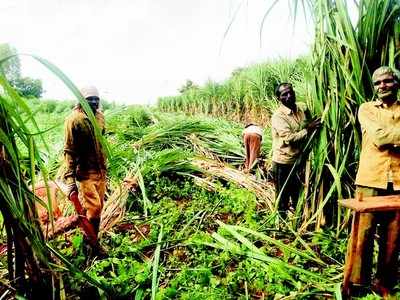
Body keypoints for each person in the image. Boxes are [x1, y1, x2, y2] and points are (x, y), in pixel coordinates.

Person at [344, 66, 400, 296]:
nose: (382, 86)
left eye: (387, 81)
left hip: (398, 181)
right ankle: (357, 283)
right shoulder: (366, 109)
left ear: (396, 83)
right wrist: (390, 135)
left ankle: (383, 283)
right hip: (370, 178)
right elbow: (379, 137)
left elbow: (387, 135)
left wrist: (391, 134)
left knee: (394, 236)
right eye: (377, 83)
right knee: (362, 232)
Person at [64, 85, 107, 252]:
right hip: (85, 172)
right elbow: (69, 150)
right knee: (94, 209)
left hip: (100, 170)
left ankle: (91, 238)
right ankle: (92, 243)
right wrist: (70, 179)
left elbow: (102, 141)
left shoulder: (100, 117)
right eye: (90, 99)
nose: (94, 102)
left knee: (99, 207)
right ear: (81, 99)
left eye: (96, 99)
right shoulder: (74, 120)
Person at [271, 83, 320, 216]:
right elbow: (289, 138)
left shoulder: (302, 108)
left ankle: (298, 220)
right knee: (282, 196)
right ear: (278, 98)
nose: (289, 96)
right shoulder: (278, 116)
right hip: (283, 163)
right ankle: (281, 224)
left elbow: (310, 120)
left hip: (299, 160)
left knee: (297, 193)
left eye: (290, 92)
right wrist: (308, 129)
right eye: (284, 94)